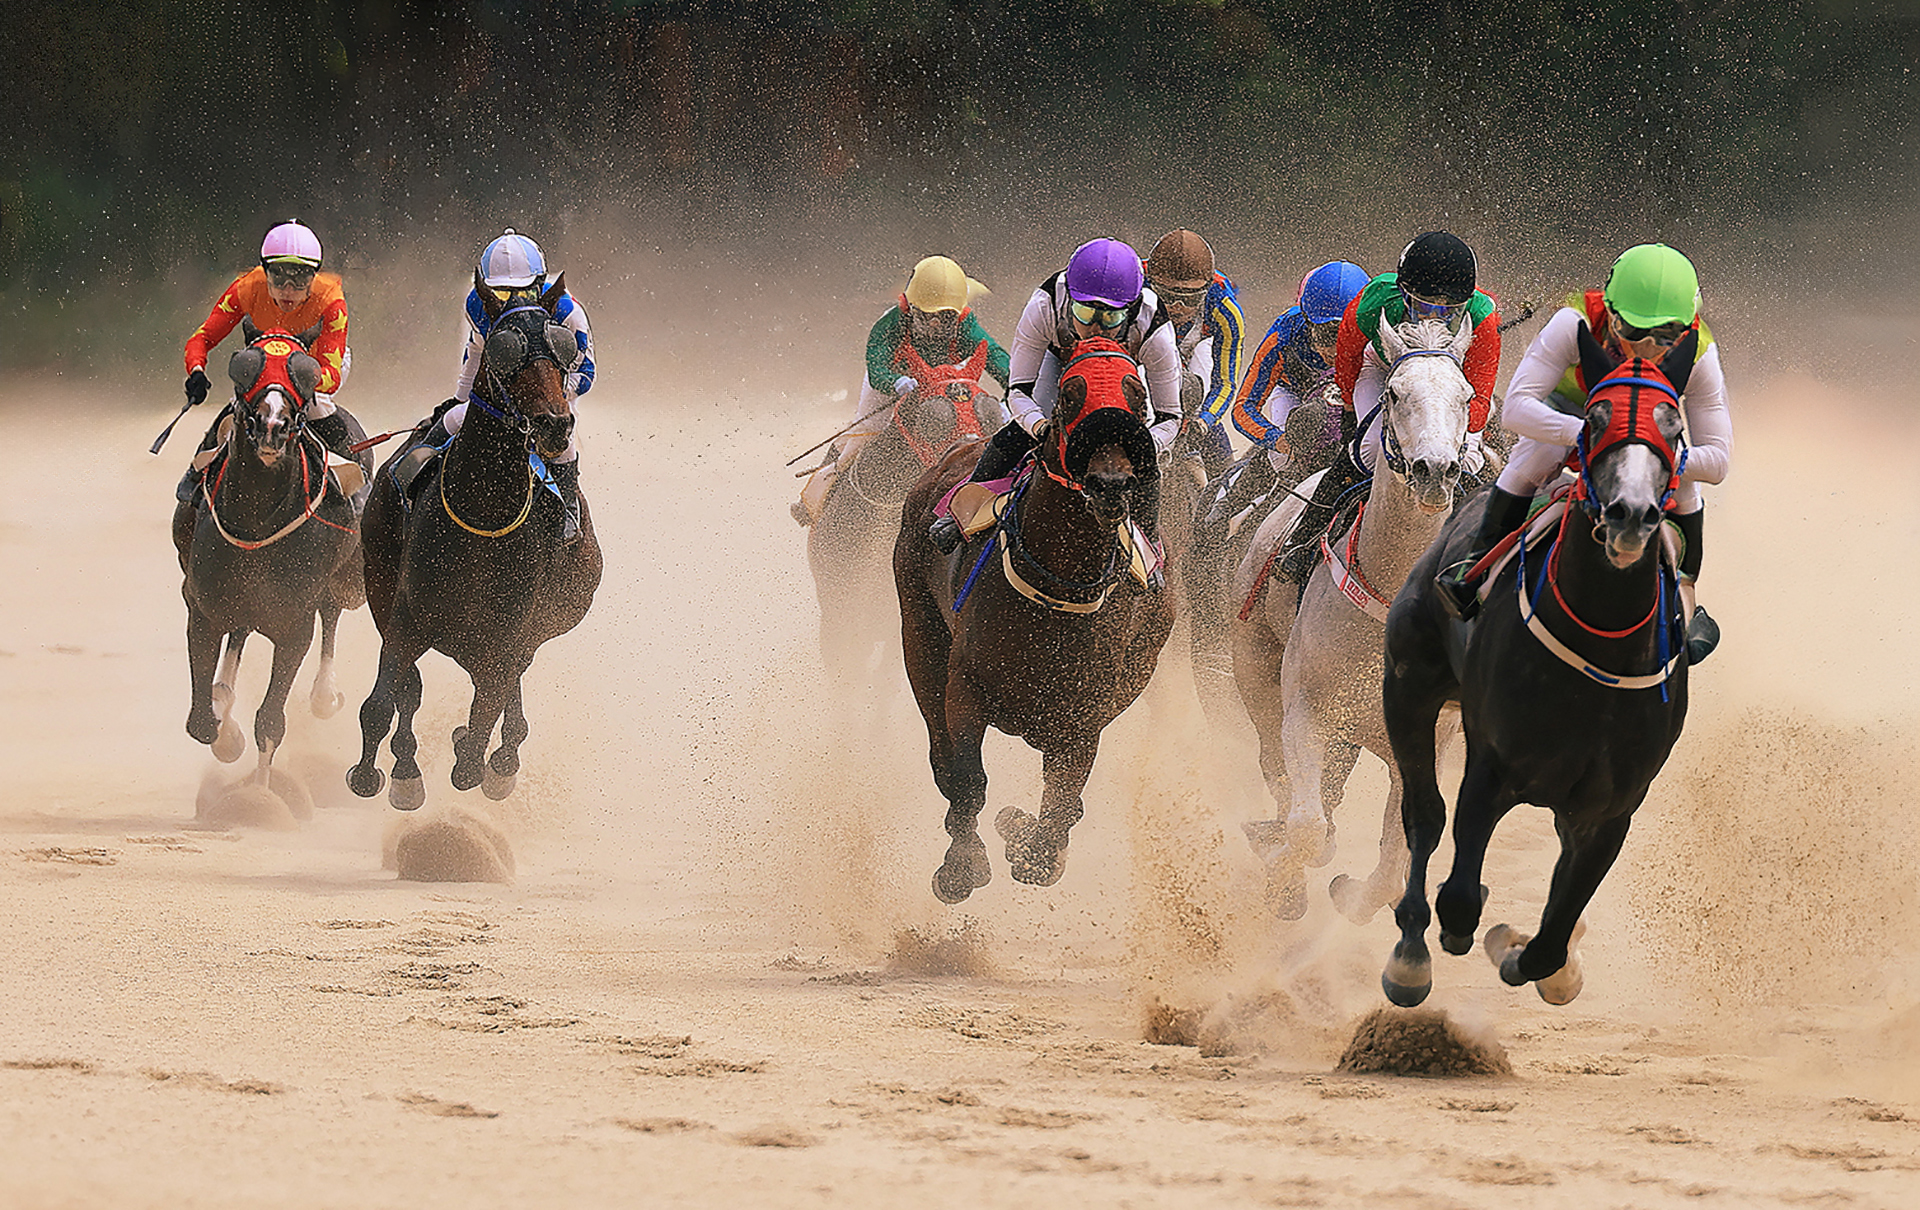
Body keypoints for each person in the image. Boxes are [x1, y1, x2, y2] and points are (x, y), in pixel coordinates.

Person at [1433, 243, 1728, 661]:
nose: (1645, 349)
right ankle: (1477, 567)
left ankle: (1687, 598)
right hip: (1571, 412)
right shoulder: (1573, 321)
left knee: (1685, 485)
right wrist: (1589, 435)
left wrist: (1656, 454)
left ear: (1687, 325)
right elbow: (1516, 409)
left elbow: (1717, 461)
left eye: (1665, 336)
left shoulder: (1699, 351)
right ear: (1609, 311)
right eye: (1632, 332)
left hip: (1648, 434)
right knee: (1535, 457)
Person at [927, 238, 1182, 561]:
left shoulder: (1155, 327)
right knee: (1016, 433)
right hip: (1060, 362)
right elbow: (1018, 391)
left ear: (1130, 311)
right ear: (1069, 299)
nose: (1095, 328)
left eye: (1110, 319)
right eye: (1085, 312)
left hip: (1122, 371)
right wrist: (1040, 427)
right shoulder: (1043, 305)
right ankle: (961, 511)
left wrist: (1142, 444)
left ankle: (1150, 550)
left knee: (1145, 463)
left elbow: (1171, 416)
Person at [1272, 232, 1501, 587]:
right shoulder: (1374, 300)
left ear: (1467, 302)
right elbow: (1348, 357)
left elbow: (1480, 398)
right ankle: (1301, 542)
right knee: (1367, 450)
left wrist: (1444, 433)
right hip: (1382, 365)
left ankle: (1495, 553)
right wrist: (1350, 410)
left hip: (1447, 378)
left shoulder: (1483, 317)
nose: (1434, 317)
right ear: (1402, 292)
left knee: (1470, 460)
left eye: (1449, 310)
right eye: (1423, 306)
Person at [174, 220, 360, 546]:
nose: (288, 289)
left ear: (314, 276)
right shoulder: (245, 288)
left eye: (300, 279)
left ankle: (355, 492)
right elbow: (202, 338)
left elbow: (329, 375)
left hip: (311, 367)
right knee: (236, 412)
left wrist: (291, 383)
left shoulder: (331, 300)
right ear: (264, 271)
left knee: (320, 408)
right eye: (279, 277)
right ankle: (196, 479)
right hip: (263, 367)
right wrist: (197, 372)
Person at [792, 255, 1008, 526]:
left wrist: (1015, 390)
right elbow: (877, 368)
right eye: (927, 317)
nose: (935, 326)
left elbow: (996, 357)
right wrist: (895, 382)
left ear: (958, 313)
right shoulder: (889, 325)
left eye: (945, 318)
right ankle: (815, 497)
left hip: (944, 383)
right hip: (893, 382)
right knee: (863, 433)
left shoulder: (966, 324)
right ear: (910, 308)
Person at [435, 228, 595, 539]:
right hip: (503, 395)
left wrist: (544, 397)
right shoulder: (477, 305)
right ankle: (408, 488)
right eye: (502, 294)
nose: (513, 302)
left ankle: (568, 508)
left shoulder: (568, 312)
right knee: (450, 421)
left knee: (562, 445)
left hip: (553, 395)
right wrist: (460, 398)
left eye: (523, 292)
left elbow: (586, 373)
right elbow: (477, 352)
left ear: (540, 285)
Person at [1226, 259, 1372, 504]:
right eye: (1326, 334)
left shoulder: (1378, 333)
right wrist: (1277, 440)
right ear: (1306, 321)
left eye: (1346, 334)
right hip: (1294, 396)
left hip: (1352, 393)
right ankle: (1233, 505)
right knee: (1284, 456)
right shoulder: (1282, 337)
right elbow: (1243, 407)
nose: (1335, 350)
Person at [1143, 229, 1246, 480]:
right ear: (1149, 283)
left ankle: (1225, 493)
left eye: (1190, 299)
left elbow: (1225, 382)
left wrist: (1204, 422)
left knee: (1199, 367)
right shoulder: (1132, 287)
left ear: (1207, 290)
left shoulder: (1225, 308)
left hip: (1194, 364)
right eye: (1167, 297)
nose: (1177, 308)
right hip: (1143, 359)